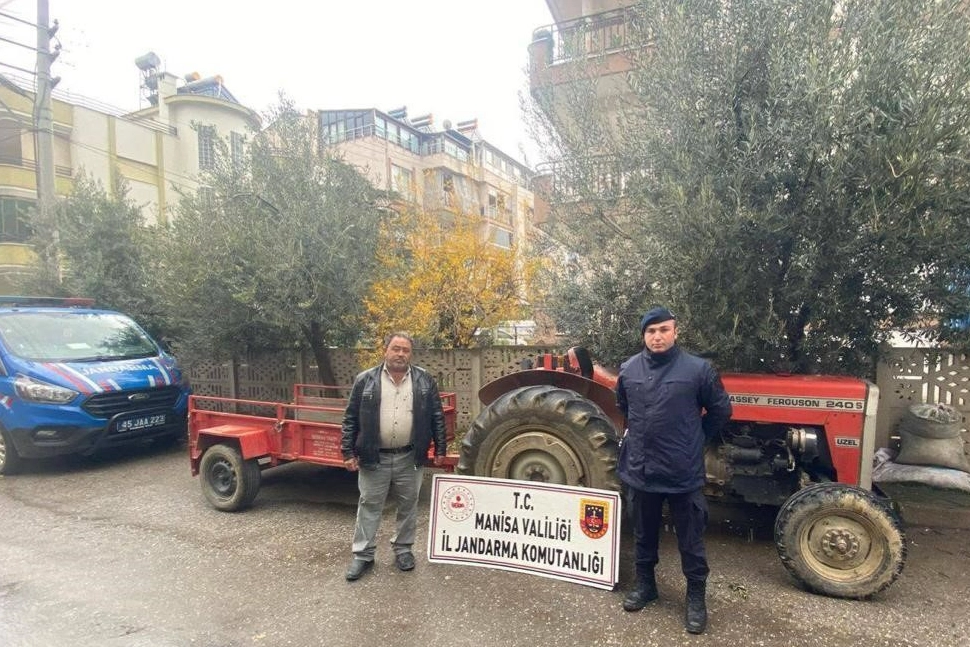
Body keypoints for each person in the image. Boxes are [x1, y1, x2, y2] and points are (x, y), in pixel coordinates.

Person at [615, 307, 732, 634]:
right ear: (643, 335)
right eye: (651, 331)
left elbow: (722, 410)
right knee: (643, 533)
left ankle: (695, 597)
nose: (657, 336)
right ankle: (645, 585)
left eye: (664, 329)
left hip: (682, 471)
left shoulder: (698, 370)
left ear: (675, 332)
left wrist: (697, 438)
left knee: (691, 539)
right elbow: (625, 408)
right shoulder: (628, 370)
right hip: (640, 469)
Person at [340, 332, 447, 581]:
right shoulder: (365, 380)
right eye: (396, 349)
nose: (400, 354)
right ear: (385, 350)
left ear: (411, 354)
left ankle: (403, 550)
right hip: (372, 457)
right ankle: (363, 555)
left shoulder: (424, 380)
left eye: (406, 350)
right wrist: (347, 451)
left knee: (408, 506)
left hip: (409, 457)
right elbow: (350, 418)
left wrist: (440, 449)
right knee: (369, 505)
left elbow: (436, 416)